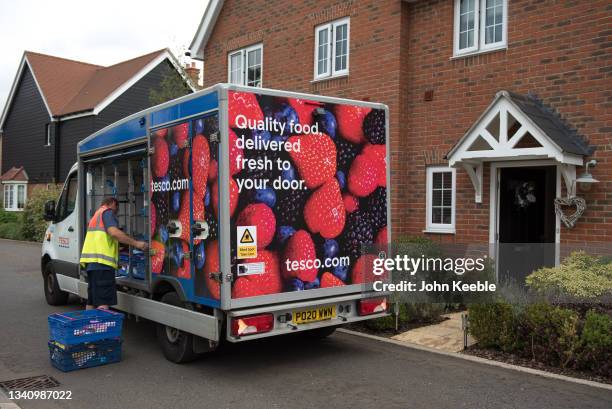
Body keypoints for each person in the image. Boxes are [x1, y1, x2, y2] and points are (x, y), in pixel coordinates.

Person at [80, 197, 148, 310]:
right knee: (103, 301)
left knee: (92, 300)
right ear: (111, 203)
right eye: (117, 207)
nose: (117, 211)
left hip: (92, 265)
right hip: (102, 265)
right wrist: (137, 244)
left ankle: (90, 326)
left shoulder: (97, 214)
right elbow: (114, 233)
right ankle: (102, 327)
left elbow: (103, 240)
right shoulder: (107, 212)